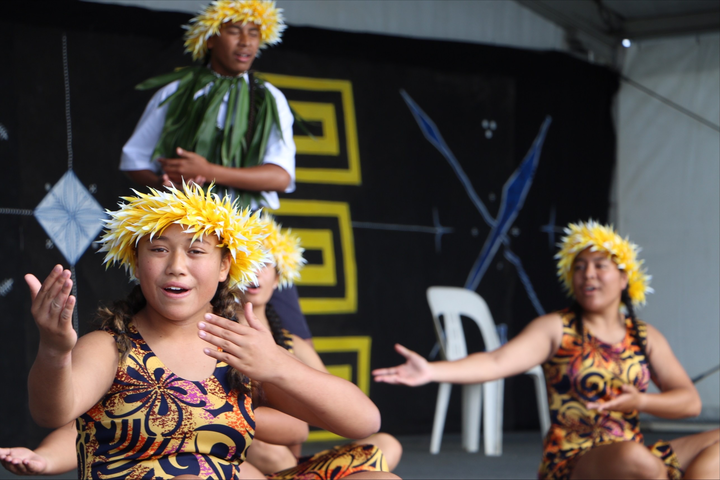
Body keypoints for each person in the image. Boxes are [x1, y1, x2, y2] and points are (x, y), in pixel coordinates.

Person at [23, 182, 398, 479]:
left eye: (196, 250)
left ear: (224, 268)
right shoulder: (110, 346)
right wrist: (55, 351)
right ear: (136, 264)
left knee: (377, 478)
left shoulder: (238, 348)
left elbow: (364, 421)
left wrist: (277, 366)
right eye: (158, 249)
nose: (177, 266)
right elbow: (52, 413)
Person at [374, 220, 719, 480]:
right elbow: (496, 362)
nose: (588, 275)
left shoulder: (644, 337)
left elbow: (689, 402)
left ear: (625, 276)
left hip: (633, 448)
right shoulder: (557, 327)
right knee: (639, 460)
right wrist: (433, 371)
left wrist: (641, 402)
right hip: (576, 458)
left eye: (600, 265)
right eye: (580, 267)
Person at [120, 0, 311, 342]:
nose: (246, 42)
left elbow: (280, 176)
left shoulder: (268, 99)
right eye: (235, 31)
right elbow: (133, 161)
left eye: (254, 33)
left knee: (288, 336)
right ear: (209, 38)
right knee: (186, 330)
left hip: (251, 236)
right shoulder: (176, 92)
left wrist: (208, 171)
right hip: (190, 240)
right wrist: (169, 190)